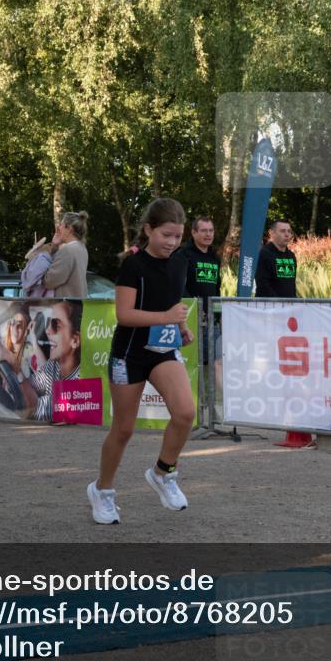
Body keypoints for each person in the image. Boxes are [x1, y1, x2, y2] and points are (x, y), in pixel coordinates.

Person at [87, 198, 196, 525]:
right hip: (129, 355)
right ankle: (102, 491)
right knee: (123, 430)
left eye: (178, 236)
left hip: (163, 352)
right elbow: (124, 314)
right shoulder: (133, 267)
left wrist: (181, 326)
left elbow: (173, 302)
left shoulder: (180, 262)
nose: (172, 242)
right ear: (148, 229)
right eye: (166, 235)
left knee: (186, 412)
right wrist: (165, 316)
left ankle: (163, 472)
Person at [26, 299, 83, 422]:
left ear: (75, 341)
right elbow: (32, 384)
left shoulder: (81, 379)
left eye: (56, 325)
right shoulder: (54, 365)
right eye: (49, 324)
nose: (47, 331)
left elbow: (30, 407)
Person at [176, 216, 221, 366]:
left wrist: (218, 312)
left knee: (212, 362)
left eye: (211, 231)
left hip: (211, 319)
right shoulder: (183, 254)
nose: (208, 234)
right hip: (190, 318)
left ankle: (208, 390)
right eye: (203, 231)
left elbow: (217, 287)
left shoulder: (214, 257)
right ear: (194, 233)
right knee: (195, 363)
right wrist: (195, 308)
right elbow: (179, 286)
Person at [43, 211, 89, 298]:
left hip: (65, 307)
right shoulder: (82, 248)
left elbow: (49, 281)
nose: (58, 228)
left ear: (70, 229)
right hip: (77, 304)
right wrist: (55, 245)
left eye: (61, 224)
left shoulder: (67, 250)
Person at [255, 219, 297, 298]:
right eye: (282, 231)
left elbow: (292, 284)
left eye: (289, 231)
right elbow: (263, 285)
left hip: (289, 307)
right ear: (271, 233)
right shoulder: (263, 254)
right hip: (268, 306)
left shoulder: (291, 256)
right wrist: (279, 304)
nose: (287, 234)